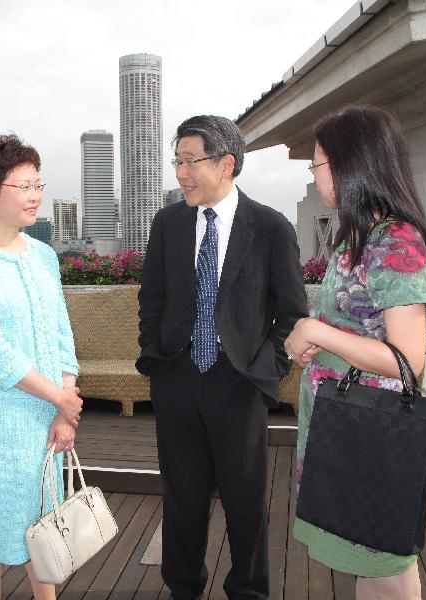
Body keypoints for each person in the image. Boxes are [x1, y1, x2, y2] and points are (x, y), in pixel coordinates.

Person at [136, 115, 308, 600]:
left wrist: (265, 369)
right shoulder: (168, 223)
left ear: (227, 163)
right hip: (176, 380)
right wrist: (155, 355)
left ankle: (248, 592)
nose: (181, 173)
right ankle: (183, 589)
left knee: (246, 502)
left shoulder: (270, 227)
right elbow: (151, 298)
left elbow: (292, 312)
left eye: (190, 161)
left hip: (239, 383)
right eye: (178, 162)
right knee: (181, 499)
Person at [284, 104, 426, 600]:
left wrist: (317, 330)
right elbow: (352, 326)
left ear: (353, 165)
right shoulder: (358, 237)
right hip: (343, 421)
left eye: (319, 163)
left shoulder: (396, 241)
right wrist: (314, 339)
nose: (315, 173)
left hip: (371, 432)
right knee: (366, 560)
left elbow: (406, 361)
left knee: (385, 564)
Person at [0, 133, 83, 600]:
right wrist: (59, 397)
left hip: (48, 410)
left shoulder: (44, 256)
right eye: (23, 185)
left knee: (44, 524)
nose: (35, 195)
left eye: (37, 184)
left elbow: (63, 333)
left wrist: (65, 405)